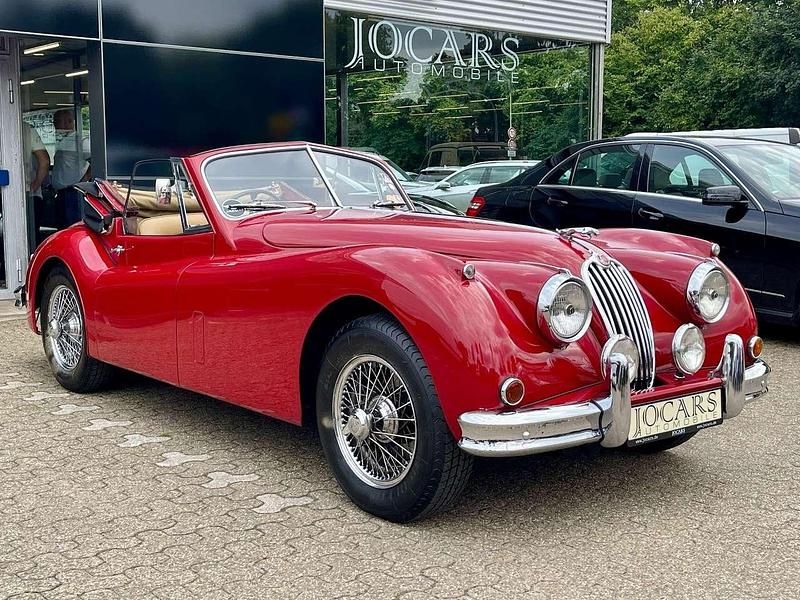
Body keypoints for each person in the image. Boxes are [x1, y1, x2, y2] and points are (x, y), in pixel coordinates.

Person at [51, 109, 90, 228]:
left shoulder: (80, 141)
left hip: (73, 192)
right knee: (62, 226)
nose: (55, 125)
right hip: (61, 193)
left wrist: (82, 181)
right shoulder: (62, 140)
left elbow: (94, 161)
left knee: (72, 226)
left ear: (69, 122)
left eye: (57, 121)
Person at [22, 122, 51, 248]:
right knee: (30, 234)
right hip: (27, 189)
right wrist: (36, 184)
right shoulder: (27, 129)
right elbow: (44, 161)